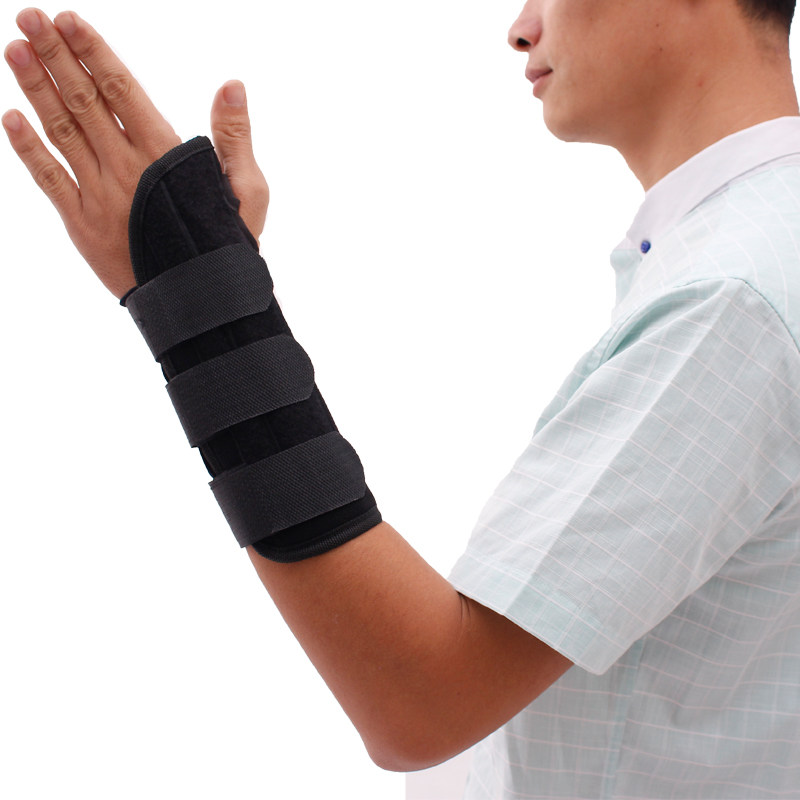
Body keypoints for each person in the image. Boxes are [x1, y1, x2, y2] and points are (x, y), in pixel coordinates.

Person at [4, 2, 800, 798]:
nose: (522, 28)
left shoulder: (732, 297)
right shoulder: (751, 255)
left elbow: (423, 702)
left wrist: (204, 303)